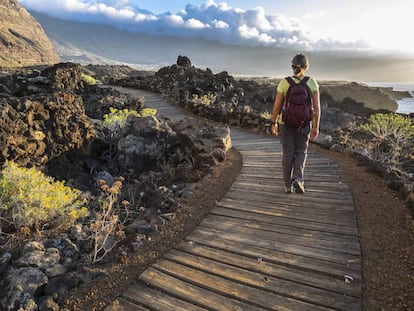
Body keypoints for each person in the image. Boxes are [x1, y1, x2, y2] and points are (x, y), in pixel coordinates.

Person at [270, 53, 320, 194]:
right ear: (307, 67)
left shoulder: (284, 83)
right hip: (304, 123)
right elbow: (316, 108)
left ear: (292, 67)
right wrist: (316, 126)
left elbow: (276, 107)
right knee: (301, 152)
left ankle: (287, 186)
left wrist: (273, 122)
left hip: (286, 123)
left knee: (288, 154)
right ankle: (298, 179)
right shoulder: (312, 82)